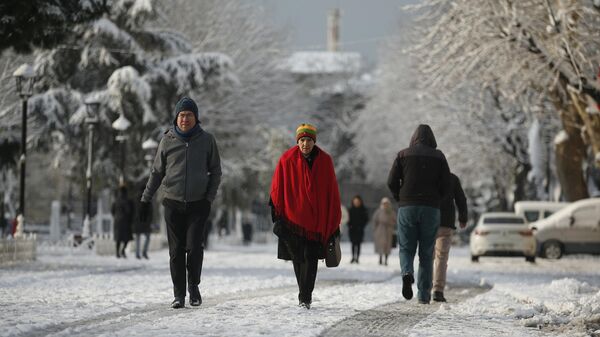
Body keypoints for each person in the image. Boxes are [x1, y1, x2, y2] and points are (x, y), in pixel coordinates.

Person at [139, 96, 222, 309]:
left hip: (198, 204)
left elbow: (216, 172)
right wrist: (145, 199)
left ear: (196, 118)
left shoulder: (207, 140)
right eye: (181, 115)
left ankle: (193, 286)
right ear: (176, 118)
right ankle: (179, 295)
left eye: (189, 115)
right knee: (175, 252)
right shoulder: (167, 140)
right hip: (172, 203)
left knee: (194, 247)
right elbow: (157, 172)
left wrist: (208, 198)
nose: (185, 119)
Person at [270, 123, 341, 309]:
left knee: (310, 257)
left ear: (314, 141)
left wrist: (333, 221)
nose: (305, 144)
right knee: (298, 258)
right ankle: (304, 293)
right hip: (292, 220)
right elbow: (277, 188)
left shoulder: (325, 161)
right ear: (297, 141)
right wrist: (277, 214)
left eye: (308, 140)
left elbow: (331, 191)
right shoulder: (286, 160)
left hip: (316, 222)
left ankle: (305, 296)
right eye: (302, 140)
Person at [387, 124, 450, 304]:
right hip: (430, 208)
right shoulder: (439, 157)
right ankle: (423, 295)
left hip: (407, 206)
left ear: (414, 138)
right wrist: (437, 199)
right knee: (426, 251)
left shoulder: (403, 154)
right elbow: (447, 185)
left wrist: (400, 197)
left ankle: (407, 272)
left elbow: (391, 181)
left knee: (406, 247)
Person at [432, 172, 468, 302]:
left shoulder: (426, 176)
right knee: (441, 257)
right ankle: (438, 290)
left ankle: (425, 288)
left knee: (426, 257)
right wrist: (463, 218)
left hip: (427, 221)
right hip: (445, 222)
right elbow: (461, 198)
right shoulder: (452, 178)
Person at [372, 197, 397, 266]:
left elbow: (395, 221)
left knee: (387, 245)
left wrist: (390, 224)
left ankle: (386, 260)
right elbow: (374, 220)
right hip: (380, 230)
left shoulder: (391, 212)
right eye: (384, 203)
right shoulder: (378, 211)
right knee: (380, 245)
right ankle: (380, 258)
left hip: (388, 230)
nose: (385, 205)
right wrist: (375, 229)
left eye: (386, 203)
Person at [111, 185, 134, 258]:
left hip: (117, 221)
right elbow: (129, 211)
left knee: (118, 238)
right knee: (126, 238)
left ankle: (117, 252)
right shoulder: (127, 200)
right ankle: (123, 250)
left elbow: (112, 210)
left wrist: (116, 216)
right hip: (125, 222)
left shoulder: (116, 200)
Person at [347, 195, 369, 263]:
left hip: (360, 229)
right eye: (355, 201)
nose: (356, 203)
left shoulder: (363, 210)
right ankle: (353, 257)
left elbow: (366, 219)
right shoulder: (350, 210)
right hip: (352, 229)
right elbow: (347, 219)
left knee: (358, 244)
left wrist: (362, 226)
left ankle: (357, 258)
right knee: (353, 244)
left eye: (358, 201)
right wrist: (350, 225)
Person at [134, 186, 152, 259]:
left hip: (137, 221)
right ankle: (144, 252)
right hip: (145, 221)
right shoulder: (148, 198)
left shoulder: (135, 199)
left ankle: (137, 253)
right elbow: (151, 211)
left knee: (137, 238)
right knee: (147, 237)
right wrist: (150, 220)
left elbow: (133, 210)